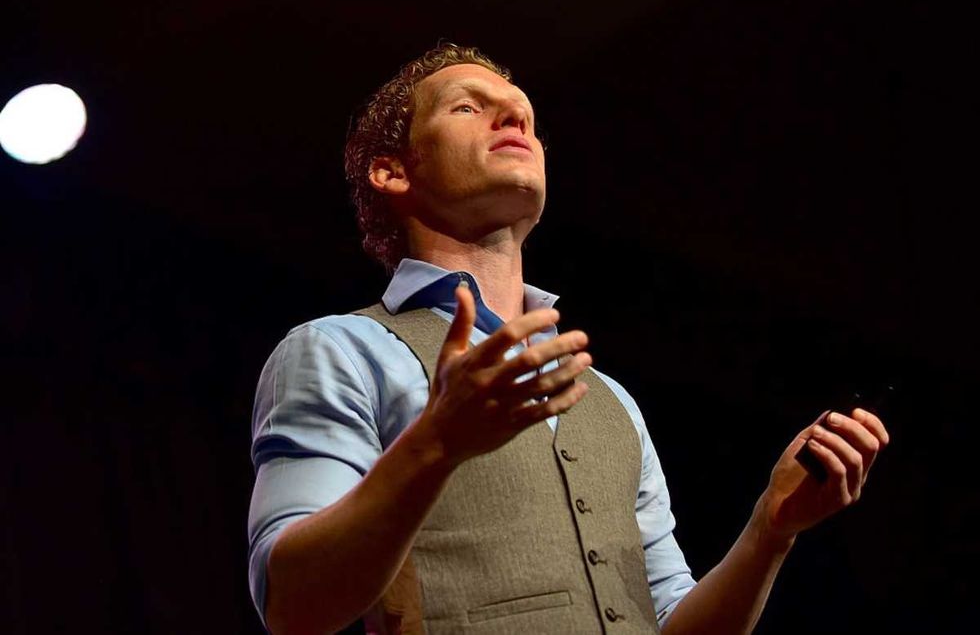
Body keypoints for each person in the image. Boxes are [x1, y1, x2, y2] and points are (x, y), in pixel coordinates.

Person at [247, 43, 889, 635]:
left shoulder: (610, 401)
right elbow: (293, 605)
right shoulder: (341, 350)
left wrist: (768, 531)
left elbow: (666, 622)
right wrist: (437, 444)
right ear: (391, 172)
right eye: (471, 107)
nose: (515, 120)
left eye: (523, 115)